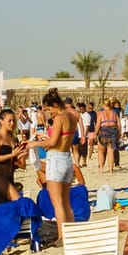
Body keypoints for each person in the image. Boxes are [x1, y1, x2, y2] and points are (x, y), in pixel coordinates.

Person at [36, 89, 77, 246]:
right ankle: (71, 234)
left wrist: (35, 143)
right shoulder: (71, 117)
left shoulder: (60, 118)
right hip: (67, 158)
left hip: (56, 159)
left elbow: (52, 143)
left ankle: (62, 237)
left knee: (57, 202)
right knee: (66, 202)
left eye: (48, 109)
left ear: (54, 105)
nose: (48, 113)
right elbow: (61, 140)